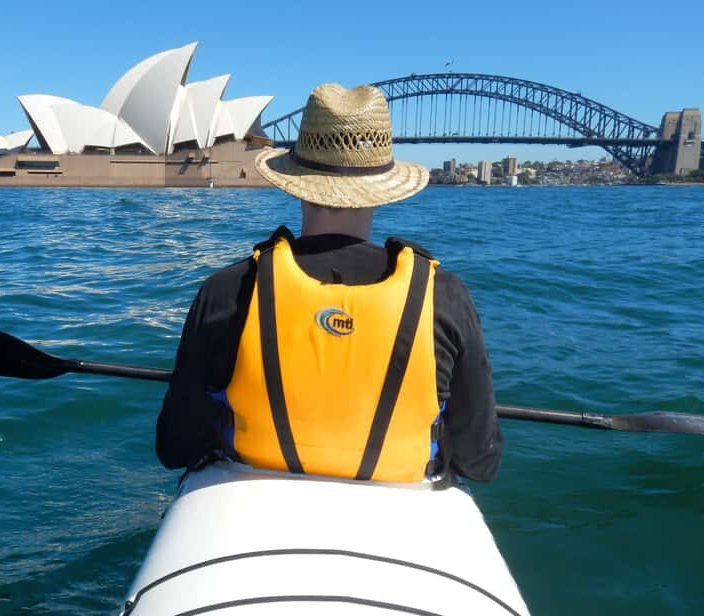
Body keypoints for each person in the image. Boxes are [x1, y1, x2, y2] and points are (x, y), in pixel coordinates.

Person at [156, 83, 502, 483]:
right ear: (383, 188)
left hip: (251, 501)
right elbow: (480, 460)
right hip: (398, 509)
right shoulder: (445, 296)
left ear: (295, 182)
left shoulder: (227, 289)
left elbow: (174, 446)